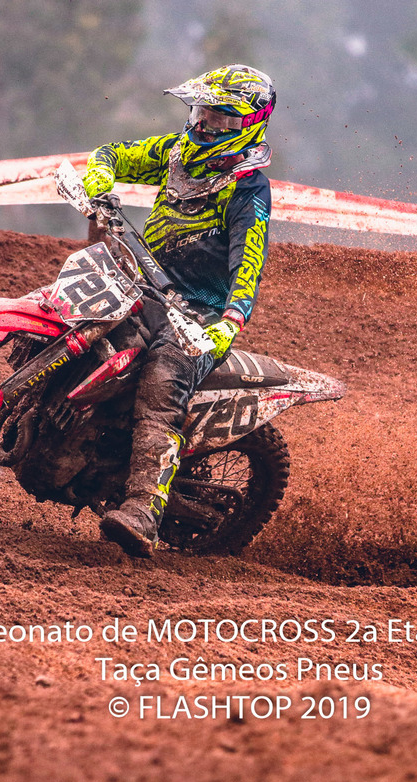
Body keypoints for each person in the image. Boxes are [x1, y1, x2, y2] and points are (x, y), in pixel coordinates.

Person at [82, 64, 276, 558]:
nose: (204, 124)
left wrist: (230, 322)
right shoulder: (176, 152)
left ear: (248, 125)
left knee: (161, 385)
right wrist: (100, 174)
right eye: (201, 112)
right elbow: (113, 153)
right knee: (76, 317)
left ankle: (143, 511)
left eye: (219, 119)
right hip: (143, 283)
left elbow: (249, 262)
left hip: (198, 314)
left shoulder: (247, 188)